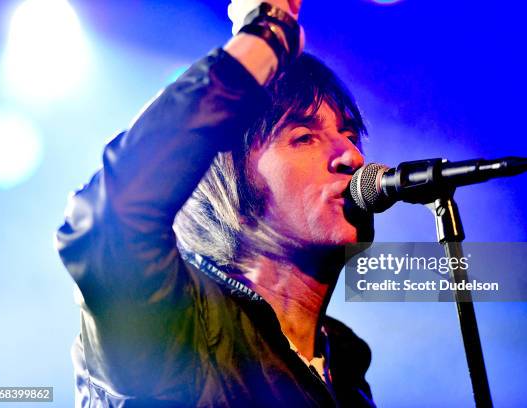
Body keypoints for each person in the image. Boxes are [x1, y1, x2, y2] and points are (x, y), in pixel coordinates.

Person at [56, 0, 376, 406]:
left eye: (349, 134)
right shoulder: (179, 327)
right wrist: (265, 39)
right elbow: (106, 222)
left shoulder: (345, 368)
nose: (352, 156)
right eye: (304, 137)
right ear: (229, 180)